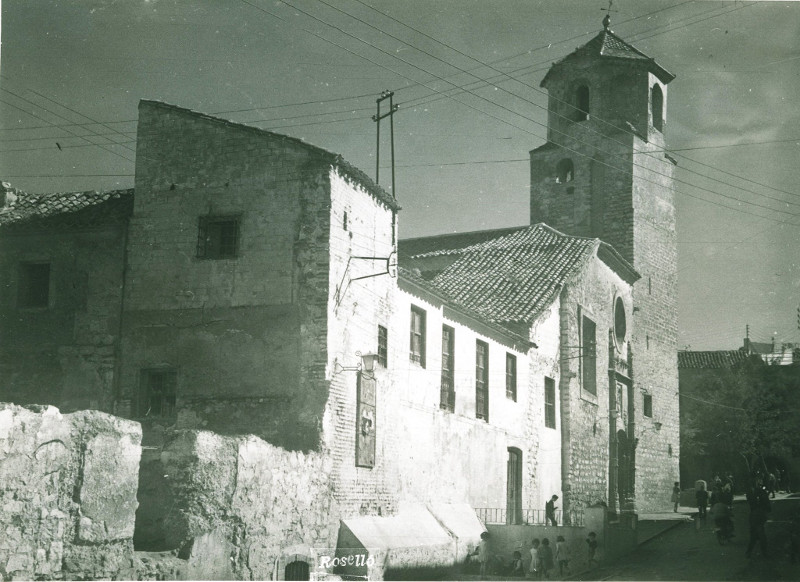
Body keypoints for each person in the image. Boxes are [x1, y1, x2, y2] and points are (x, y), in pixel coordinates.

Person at [745, 477, 771, 558]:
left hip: (753, 515)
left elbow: (750, 503)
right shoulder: (762, 492)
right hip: (760, 515)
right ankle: (764, 552)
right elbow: (768, 507)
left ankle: (749, 552)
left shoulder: (749, 493)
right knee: (761, 534)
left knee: (754, 535)